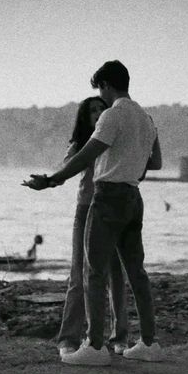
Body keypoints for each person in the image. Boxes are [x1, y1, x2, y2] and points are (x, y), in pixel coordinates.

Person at [22, 60, 163, 366]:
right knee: (136, 273)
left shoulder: (114, 115)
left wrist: (50, 180)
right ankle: (149, 343)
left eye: (101, 88)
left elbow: (86, 153)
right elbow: (156, 163)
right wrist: (126, 159)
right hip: (133, 197)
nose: (102, 94)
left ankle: (95, 346)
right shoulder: (146, 117)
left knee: (93, 271)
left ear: (107, 85)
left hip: (108, 197)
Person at [57, 97, 128, 357]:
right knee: (79, 273)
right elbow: (67, 166)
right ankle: (68, 338)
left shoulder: (114, 136)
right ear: (85, 117)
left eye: (101, 108)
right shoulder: (83, 142)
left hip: (112, 207)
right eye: (92, 111)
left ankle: (120, 337)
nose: (98, 113)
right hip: (86, 208)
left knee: (115, 275)